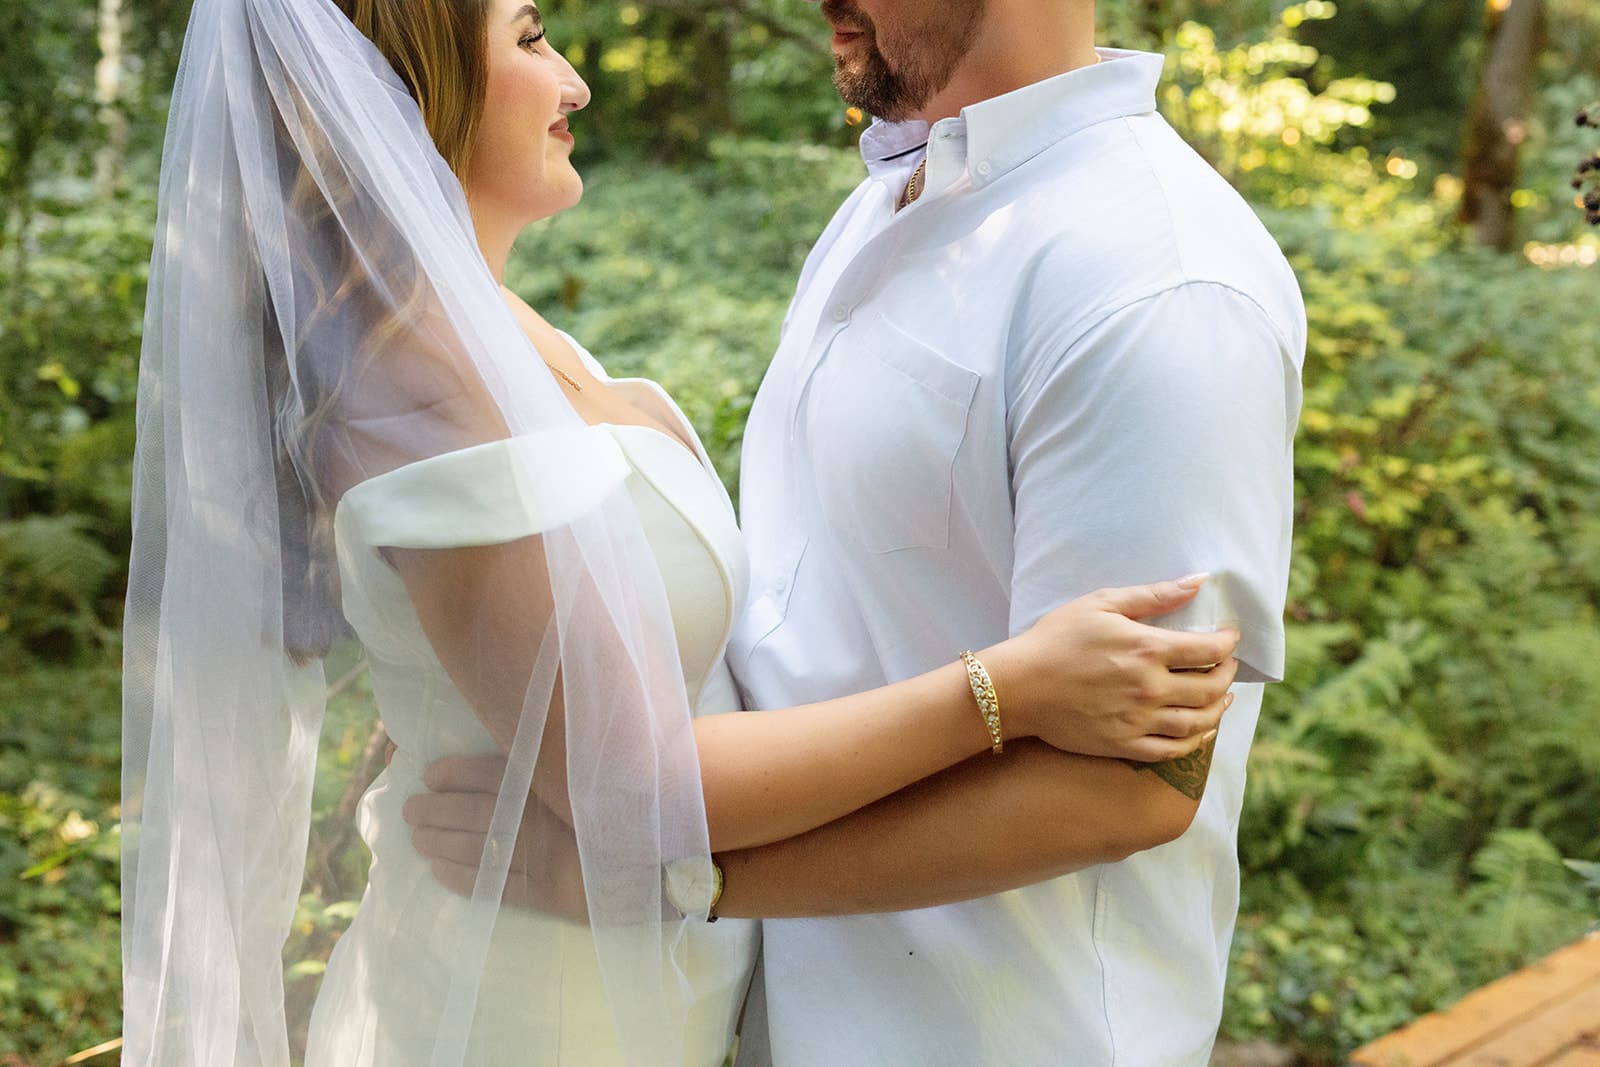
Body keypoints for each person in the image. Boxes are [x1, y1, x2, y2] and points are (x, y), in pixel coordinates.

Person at [119, 1, 1242, 1065]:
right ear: (411, 89)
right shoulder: (419, 375)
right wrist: (1006, 686)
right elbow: (633, 783)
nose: (574, 82)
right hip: (536, 1009)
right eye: (531, 37)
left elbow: (1146, 777)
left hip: (703, 991)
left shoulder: (492, 328)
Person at [416, 0, 1305, 1063]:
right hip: (770, 1016)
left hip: (990, 1033)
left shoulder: (1160, 282)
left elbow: (1130, 785)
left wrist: (684, 880)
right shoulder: (889, 200)